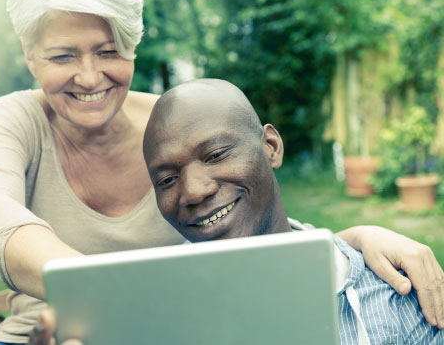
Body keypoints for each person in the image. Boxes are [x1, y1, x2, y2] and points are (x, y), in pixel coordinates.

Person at [0, 0, 443, 344]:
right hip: (44, 332)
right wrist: (103, 298)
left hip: (175, 328)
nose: (89, 77)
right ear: (31, 57)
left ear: (132, 46)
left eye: (108, 51)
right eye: (62, 57)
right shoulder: (12, 121)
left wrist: (350, 241)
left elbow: (249, 212)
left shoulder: (171, 126)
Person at [142, 78, 444, 345]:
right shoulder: (151, 317)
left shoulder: (394, 295)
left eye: (216, 154)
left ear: (271, 146)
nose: (193, 190)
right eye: (167, 179)